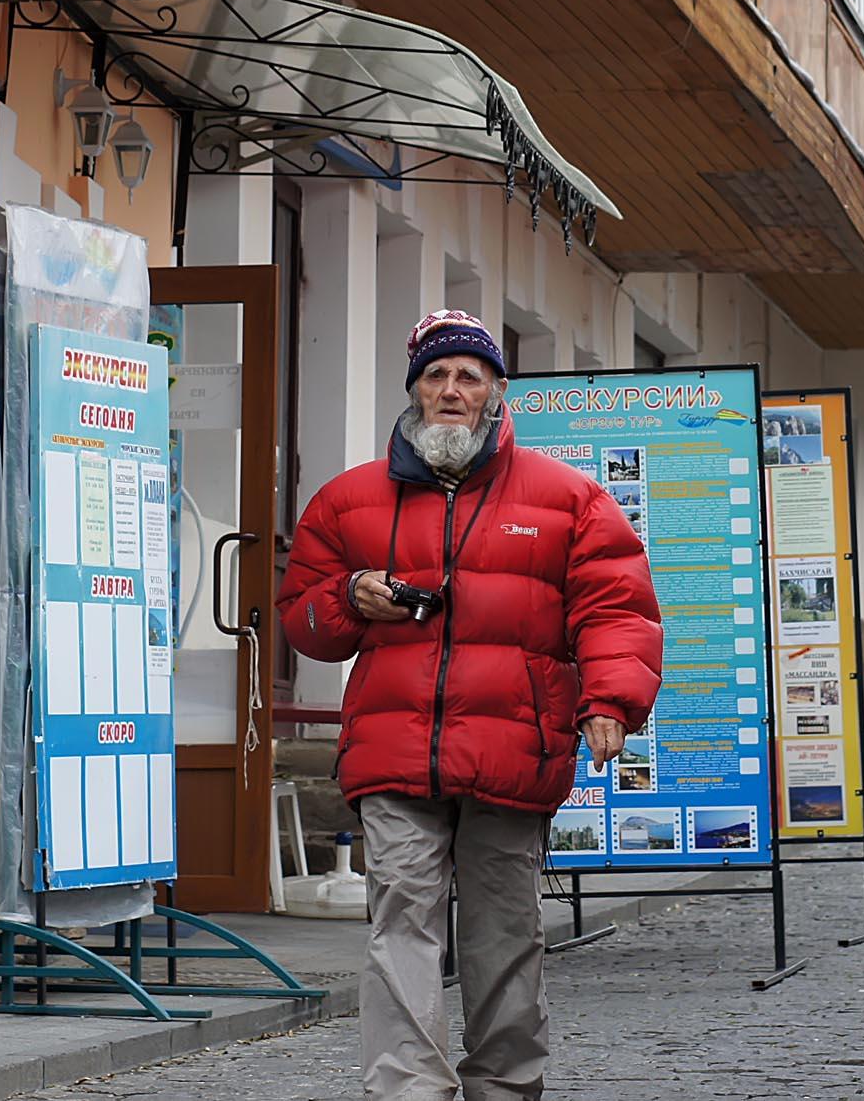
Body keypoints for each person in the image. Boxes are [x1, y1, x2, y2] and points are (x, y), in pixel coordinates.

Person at [278, 310, 665, 1101]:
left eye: (469, 375)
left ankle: (505, 1086)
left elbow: (617, 609)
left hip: (512, 749)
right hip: (394, 750)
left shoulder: (569, 498)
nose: (451, 389)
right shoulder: (347, 501)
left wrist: (611, 701)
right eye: (436, 375)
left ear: (495, 390)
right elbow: (301, 619)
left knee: (504, 937)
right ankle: (410, 1092)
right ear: (415, 387)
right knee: (401, 929)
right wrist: (351, 596)